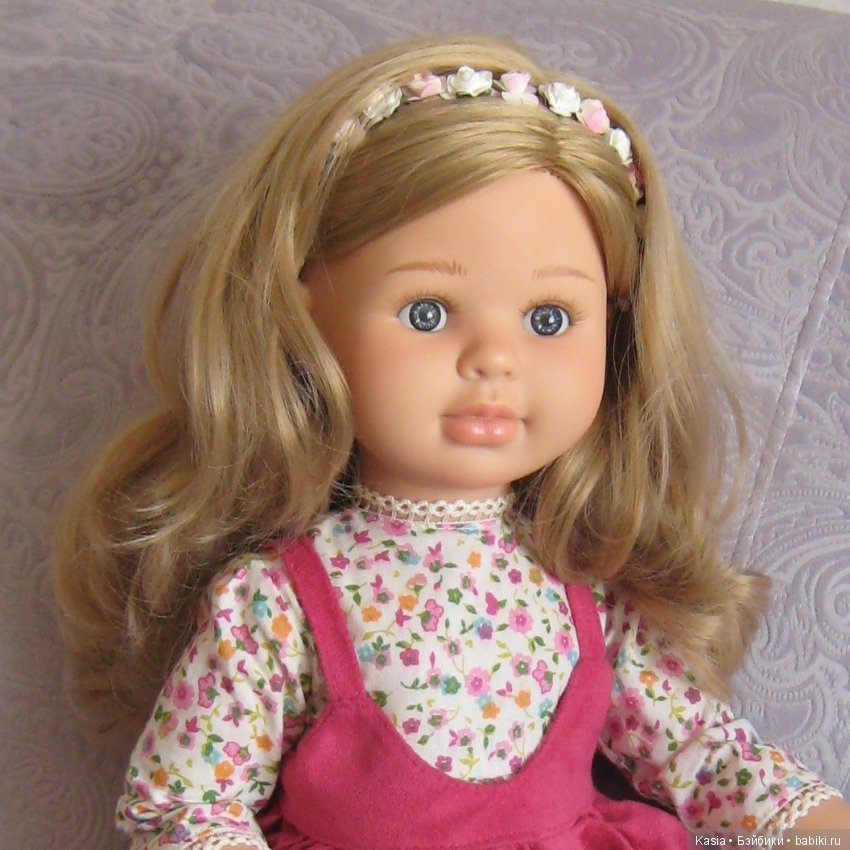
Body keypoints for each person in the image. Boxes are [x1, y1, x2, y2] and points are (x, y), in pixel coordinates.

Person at [53, 35, 849, 849]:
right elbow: (188, 802)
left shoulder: (585, 592)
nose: (494, 360)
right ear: (304, 311)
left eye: (549, 319)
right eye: (427, 312)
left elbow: (706, 757)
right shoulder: (277, 603)